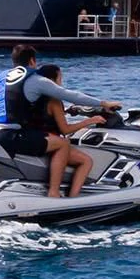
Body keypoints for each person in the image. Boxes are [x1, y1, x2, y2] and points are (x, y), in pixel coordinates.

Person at [0, 44, 122, 199]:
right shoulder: (36, 80)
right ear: (32, 61)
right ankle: (54, 193)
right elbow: (70, 95)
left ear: (13, 61)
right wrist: (103, 103)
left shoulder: (3, 76)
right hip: (8, 135)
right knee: (62, 144)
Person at [36, 64, 111, 198]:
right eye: (60, 77)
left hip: (38, 137)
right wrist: (90, 121)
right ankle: (73, 197)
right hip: (52, 142)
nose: (61, 81)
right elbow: (65, 129)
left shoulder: (36, 98)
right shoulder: (54, 100)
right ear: (53, 81)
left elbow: (47, 119)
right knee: (86, 161)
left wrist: (68, 111)